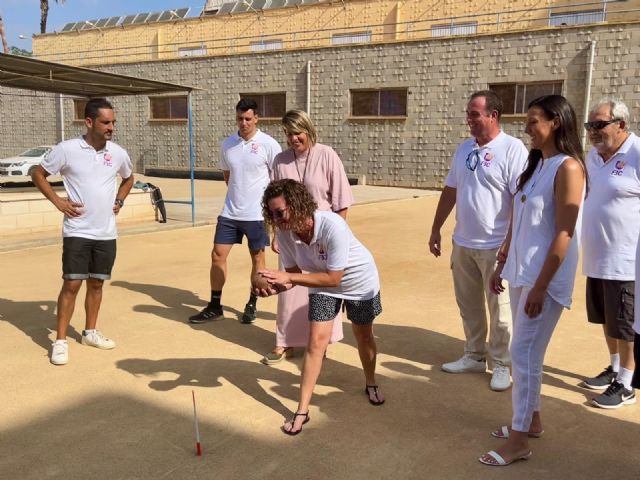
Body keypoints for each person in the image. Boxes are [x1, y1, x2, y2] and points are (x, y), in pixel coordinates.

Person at [480, 95, 586, 466]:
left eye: (533, 121)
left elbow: (564, 233)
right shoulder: (538, 163)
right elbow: (521, 220)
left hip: (545, 279)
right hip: (522, 272)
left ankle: (520, 438)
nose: (526, 128)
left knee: (522, 355)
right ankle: (532, 421)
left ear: (556, 122)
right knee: (530, 355)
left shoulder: (569, 168)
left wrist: (541, 287)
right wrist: (503, 261)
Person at [255, 179, 383, 435]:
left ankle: (371, 381)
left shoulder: (332, 224)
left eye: (279, 212)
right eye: (271, 214)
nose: (276, 219)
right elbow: (293, 275)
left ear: (297, 204)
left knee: (363, 336)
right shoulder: (284, 234)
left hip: (358, 282)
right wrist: (274, 287)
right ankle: (302, 409)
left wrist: (289, 278)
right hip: (321, 285)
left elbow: (334, 277)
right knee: (315, 343)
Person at [429, 90, 528, 391]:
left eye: (474, 113)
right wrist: (436, 229)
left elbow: (519, 200)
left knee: (501, 309)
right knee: (468, 303)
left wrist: (508, 246)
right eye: (469, 113)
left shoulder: (513, 149)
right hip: (464, 243)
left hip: (496, 246)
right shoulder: (464, 149)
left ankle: (501, 364)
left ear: (493, 115)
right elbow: (450, 190)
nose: (468, 119)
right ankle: (473, 355)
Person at [31, 98, 134, 366]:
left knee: (97, 283)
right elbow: (38, 173)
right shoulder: (66, 150)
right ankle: (61, 341)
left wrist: (120, 200)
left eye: (113, 122)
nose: (112, 127)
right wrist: (58, 201)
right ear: (89, 122)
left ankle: (90, 332)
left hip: (106, 232)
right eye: (106, 122)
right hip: (78, 229)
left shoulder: (118, 153)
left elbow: (129, 177)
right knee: (72, 283)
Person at [262, 109, 353, 365]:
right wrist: (276, 234)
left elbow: (341, 201)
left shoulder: (327, 155)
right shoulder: (280, 161)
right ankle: (284, 342)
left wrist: (338, 235)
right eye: (289, 134)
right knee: (288, 289)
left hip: (323, 233)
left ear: (308, 130)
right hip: (290, 234)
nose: (293, 139)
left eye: (297, 133)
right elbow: (272, 202)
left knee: (321, 289)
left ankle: (320, 341)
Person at [189, 99, 281, 325]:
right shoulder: (228, 144)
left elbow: (278, 183)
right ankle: (214, 305)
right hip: (230, 213)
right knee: (217, 255)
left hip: (257, 215)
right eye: (240, 118)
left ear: (257, 118)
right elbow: (228, 177)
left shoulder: (269, 145)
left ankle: (252, 303)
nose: (243, 123)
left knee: (258, 259)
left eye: (248, 119)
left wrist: (276, 223)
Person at [581, 98, 638, 409]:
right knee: (607, 318)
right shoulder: (593, 157)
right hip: (597, 255)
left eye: (599, 125)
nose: (593, 131)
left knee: (625, 322)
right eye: (590, 126)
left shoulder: (638, 154)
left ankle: (627, 383)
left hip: (626, 260)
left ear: (621, 125)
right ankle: (614, 368)